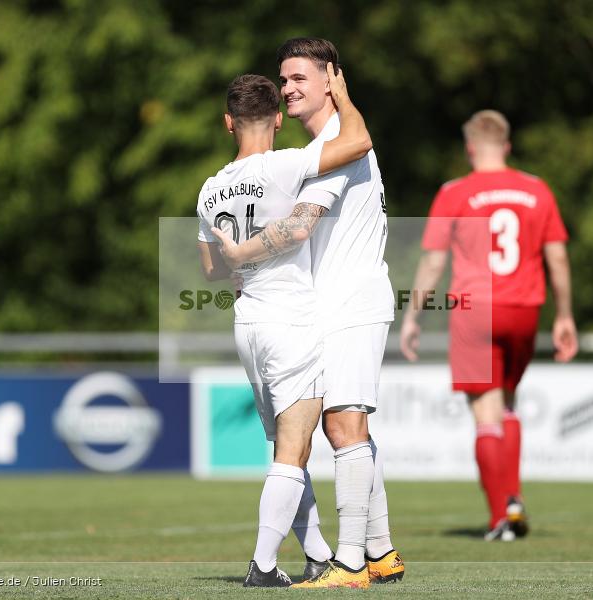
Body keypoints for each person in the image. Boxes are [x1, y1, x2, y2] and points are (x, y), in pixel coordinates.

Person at [212, 37, 403, 589]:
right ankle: (381, 551)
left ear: (331, 80)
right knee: (340, 427)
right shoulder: (319, 147)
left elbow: (299, 226)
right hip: (324, 305)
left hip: (351, 300)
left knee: (344, 425)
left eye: (300, 77)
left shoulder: (337, 143)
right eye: (284, 79)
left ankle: (350, 564)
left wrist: (239, 255)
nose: (289, 88)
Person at [400, 109, 578, 541]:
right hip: (524, 309)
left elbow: (434, 262)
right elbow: (556, 257)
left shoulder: (455, 192)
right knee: (509, 403)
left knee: (485, 414)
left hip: (475, 309)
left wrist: (413, 315)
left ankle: (502, 514)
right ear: (507, 146)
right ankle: (514, 502)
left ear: (470, 148)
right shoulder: (536, 189)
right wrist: (565, 315)